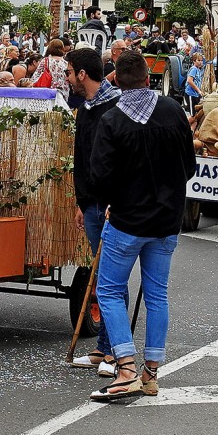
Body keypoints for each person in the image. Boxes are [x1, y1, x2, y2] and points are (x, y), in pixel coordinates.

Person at [87, 50, 196, 401]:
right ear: (148, 79)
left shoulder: (113, 119)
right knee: (157, 294)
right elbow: (190, 167)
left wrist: (110, 203)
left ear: (116, 80)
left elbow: (99, 177)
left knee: (109, 290)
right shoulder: (172, 111)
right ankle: (151, 373)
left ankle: (126, 368)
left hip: (127, 219)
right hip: (166, 220)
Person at [65, 47, 122, 378]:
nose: (68, 78)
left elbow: (118, 161)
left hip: (109, 205)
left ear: (82, 75)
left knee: (111, 275)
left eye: (70, 73)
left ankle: (115, 352)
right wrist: (79, 201)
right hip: (91, 204)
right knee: (101, 275)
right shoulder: (86, 108)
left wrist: (114, 200)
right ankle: (103, 347)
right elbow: (83, 158)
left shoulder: (113, 108)